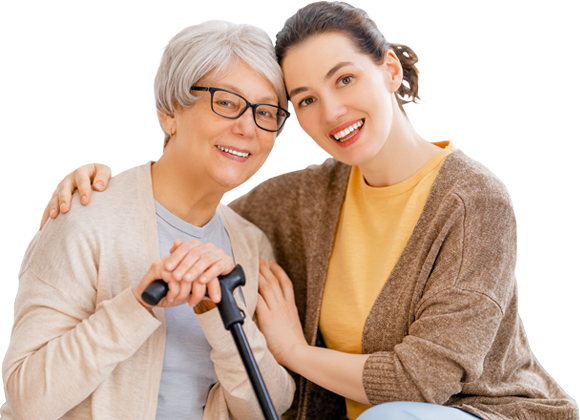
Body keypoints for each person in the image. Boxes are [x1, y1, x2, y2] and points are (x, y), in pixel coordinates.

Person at [39, 3, 578, 420]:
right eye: (304, 100)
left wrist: (293, 350)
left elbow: (425, 382)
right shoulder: (297, 201)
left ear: (389, 70)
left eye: (344, 79)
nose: (332, 111)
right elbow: (192, 207)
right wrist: (104, 183)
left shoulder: (473, 202)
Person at [3, 22, 295, 420]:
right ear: (170, 112)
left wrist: (222, 316)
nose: (248, 127)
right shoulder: (85, 217)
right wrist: (139, 305)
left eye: (266, 112)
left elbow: (267, 408)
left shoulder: (249, 244)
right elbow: (27, 401)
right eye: (227, 102)